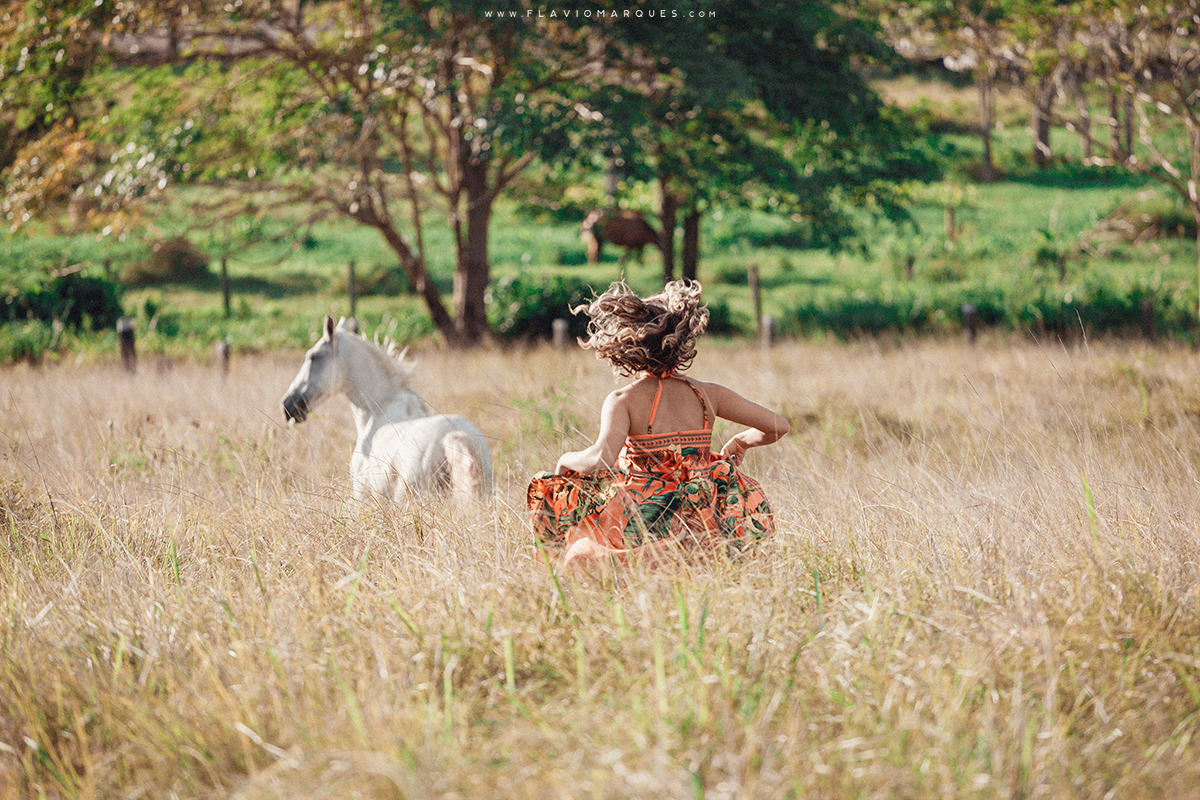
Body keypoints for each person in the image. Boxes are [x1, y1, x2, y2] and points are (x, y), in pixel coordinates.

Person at [526, 279, 789, 566]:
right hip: (703, 518)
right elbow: (777, 425)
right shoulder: (708, 394)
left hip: (646, 517)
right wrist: (742, 441)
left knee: (573, 546)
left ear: (627, 345)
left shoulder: (623, 400)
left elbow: (603, 457)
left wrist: (566, 459)